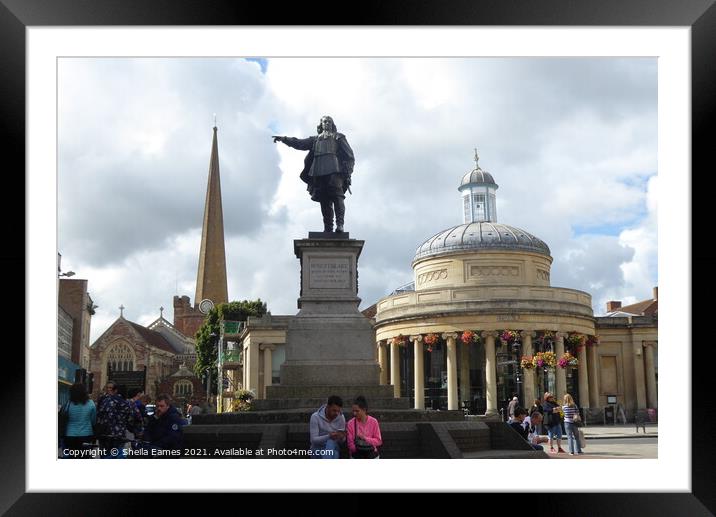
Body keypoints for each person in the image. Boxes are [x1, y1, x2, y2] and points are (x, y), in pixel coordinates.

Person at [273, 115, 355, 233]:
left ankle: (340, 225)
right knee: (324, 201)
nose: (327, 123)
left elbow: (350, 155)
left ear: (332, 125)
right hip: (319, 172)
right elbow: (299, 143)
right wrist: (285, 139)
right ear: (321, 125)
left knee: (338, 197)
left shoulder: (338, 137)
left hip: (335, 172)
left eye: (329, 122)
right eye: (324, 121)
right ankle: (328, 228)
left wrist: (348, 171)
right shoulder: (315, 140)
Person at [95, 381, 132, 458]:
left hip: (106, 434)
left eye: (111, 388)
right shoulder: (126, 403)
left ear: (115, 390)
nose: (109, 390)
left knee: (106, 455)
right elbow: (129, 418)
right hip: (119, 434)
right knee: (118, 454)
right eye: (107, 388)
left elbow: (99, 415)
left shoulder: (105, 401)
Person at [63, 382, 97, 458]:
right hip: (86, 434)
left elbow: (65, 417)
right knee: (84, 456)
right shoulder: (91, 403)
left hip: (70, 435)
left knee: (72, 456)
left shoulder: (68, 404)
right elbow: (93, 420)